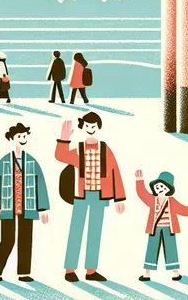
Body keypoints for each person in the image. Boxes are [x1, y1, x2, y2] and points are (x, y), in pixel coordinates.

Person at [55, 112, 126, 282]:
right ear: (83, 128)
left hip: (100, 196)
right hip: (81, 195)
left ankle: (91, 270)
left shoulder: (105, 148)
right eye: (87, 126)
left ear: (99, 128)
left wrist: (119, 197)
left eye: (94, 126)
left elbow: (114, 171)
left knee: (94, 232)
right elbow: (61, 156)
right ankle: (70, 270)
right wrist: (63, 140)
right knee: (76, 230)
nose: (91, 129)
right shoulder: (79, 149)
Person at [0, 123, 50, 282]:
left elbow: (40, 185)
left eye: (24, 136)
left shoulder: (32, 162)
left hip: (28, 206)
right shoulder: (4, 162)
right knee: (8, 239)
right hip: (7, 205)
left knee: (26, 239)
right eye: (19, 136)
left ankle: (24, 273)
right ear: (12, 138)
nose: (22, 139)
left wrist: (42, 209)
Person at [134, 169, 188, 282]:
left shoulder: (172, 201)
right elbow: (142, 194)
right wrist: (139, 180)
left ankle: (175, 272)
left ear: (168, 189)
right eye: (157, 187)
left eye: (163, 187)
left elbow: (185, 210)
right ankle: (147, 273)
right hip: (154, 228)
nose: (160, 189)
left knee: (171, 249)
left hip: (169, 229)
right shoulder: (152, 200)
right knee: (151, 249)